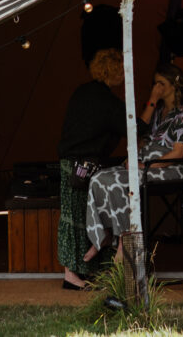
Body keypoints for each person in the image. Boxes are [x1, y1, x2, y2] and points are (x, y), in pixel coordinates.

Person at [79, 65, 183, 267]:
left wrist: (147, 165)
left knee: (117, 182)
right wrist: (133, 158)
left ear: (173, 86)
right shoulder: (157, 112)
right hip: (143, 163)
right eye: (155, 83)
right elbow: (140, 134)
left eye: (161, 83)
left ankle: (126, 240)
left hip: (167, 168)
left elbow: (178, 153)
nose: (156, 87)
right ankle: (104, 234)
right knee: (98, 178)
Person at [57, 48, 126, 289]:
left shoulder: (83, 92)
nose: (124, 75)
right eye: (121, 70)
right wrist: (151, 102)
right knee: (78, 216)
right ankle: (71, 275)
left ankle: (80, 270)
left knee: (76, 215)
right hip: (82, 165)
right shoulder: (107, 101)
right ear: (113, 71)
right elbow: (131, 126)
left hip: (71, 161)